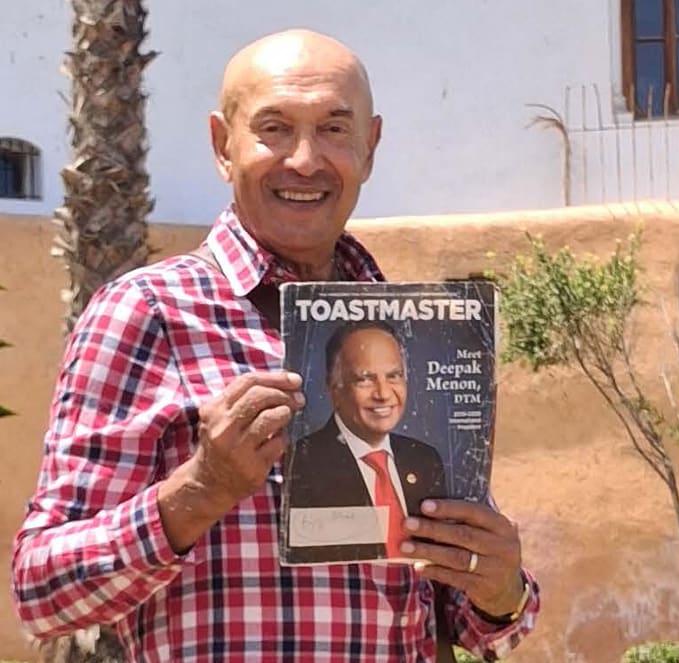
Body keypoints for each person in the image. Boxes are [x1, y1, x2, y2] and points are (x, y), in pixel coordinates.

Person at [12, 29, 538, 663]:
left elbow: (469, 612)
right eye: (275, 128)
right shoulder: (147, 312)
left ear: (369, 148)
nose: (306, 160)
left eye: (335, 130)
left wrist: (500, 588)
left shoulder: (413, 331)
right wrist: (201, 489)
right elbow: (40, 592)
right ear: (222, 146)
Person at [285, 321, 447, 564]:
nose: (383, 393)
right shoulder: (302, 462)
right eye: (364, 379)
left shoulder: (425, 459)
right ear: (334, 387)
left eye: (394, 376)